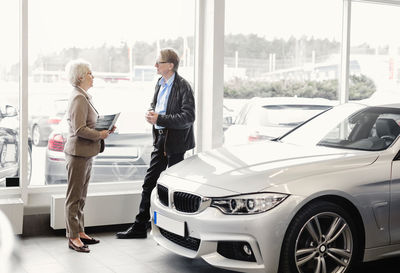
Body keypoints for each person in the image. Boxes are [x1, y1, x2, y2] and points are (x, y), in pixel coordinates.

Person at [116, 48, 195, 239]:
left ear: (170, 65)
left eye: (158, 62)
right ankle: (140, 226)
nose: (155, 66)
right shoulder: (160, 83)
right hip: (160, 140)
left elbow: (188, 117)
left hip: (176, 144)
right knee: (149, 183)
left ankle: (177, 231)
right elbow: (155, 105)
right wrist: (152, 114)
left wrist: (161, 118)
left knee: (175, 190)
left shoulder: (183, 86)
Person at [64, 59, 112, 252]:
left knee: (81, 196)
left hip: (87, 152)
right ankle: (73, 237)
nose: (93, 76)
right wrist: (99, 134)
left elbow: (88, 124)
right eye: (90, 73)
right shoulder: (78, 98)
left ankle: (80, 231)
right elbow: (79, 129)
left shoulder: (85, 96)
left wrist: (105, 128)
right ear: (81, 77)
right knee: (74, 197)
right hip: (77, 153)